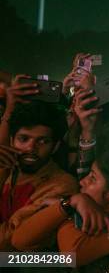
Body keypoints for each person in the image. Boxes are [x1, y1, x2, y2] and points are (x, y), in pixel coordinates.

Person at [12, 149, 109, 270]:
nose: (82, 182)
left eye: (92, 178)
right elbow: (19, 240)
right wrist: (67, 205)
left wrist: (69, 208)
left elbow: (70, 257)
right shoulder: (78, 208)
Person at [0, 98, 78, 250]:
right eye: (23, 139)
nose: (31, 148)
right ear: (12, 141)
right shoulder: (7, 169)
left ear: (55, 147)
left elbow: (10, 240)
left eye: (42, 141)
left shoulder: (62, 184)